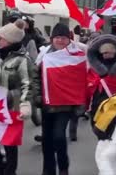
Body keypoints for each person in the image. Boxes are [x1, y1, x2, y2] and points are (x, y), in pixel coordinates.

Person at [0, 19, 37, 175]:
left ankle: (10, 172)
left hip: (12, 105)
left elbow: (27, 84)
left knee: (9, 144)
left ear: (10, 40)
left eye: (0, 38)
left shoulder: (23, 60)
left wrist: (25, 104)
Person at [34, 23, 88, 175]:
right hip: (46, 104)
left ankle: (63, 167)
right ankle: (48, 170)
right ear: (52, 39)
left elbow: (80, 80)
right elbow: (35, 77)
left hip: (65, 106)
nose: (60, 41)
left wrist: (80, 104)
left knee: (58, 137)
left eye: (63, 38)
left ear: (68, 39)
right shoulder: (43, 55)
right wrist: (37, 96)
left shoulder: (76, 55)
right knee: (47, 140)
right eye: (57, 37)